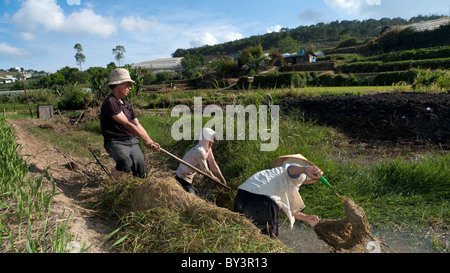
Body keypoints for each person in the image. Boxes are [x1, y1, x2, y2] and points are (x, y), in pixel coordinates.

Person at [234, 163, 323, 238]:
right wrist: (305, 169)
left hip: (241, 196)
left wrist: (305, 217)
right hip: (262, 201)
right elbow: (291, 170)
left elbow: (282, 207)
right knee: (267, 240)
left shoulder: (273, 175)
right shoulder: (296, 172)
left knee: (244, 234)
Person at [100, 68, 160, 178]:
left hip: (131, 140)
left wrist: (150, 140)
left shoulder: (126, 104)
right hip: (115, 141)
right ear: (119, 85)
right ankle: (110, 183)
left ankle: (138, 191)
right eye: (128, 85)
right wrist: (145, 139)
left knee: (140, 168)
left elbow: (136, 123)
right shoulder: (110, 102)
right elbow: (127, 124)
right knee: (125, 164)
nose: (130, 88)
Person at [175, 128, 227, 195]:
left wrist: (223, 181)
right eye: (211, 138)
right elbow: (205, 171)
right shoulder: (199, 151)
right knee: (193, 200)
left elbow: (214, 166)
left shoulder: (208, 150)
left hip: (190, 179)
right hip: (182, 178)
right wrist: (216, 180)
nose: (212, 141)